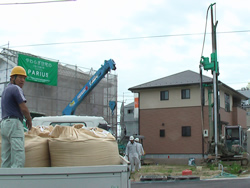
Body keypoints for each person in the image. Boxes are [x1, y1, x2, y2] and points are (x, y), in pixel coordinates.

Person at [0, 66, 32, 168]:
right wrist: (29, 119)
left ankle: (4, 182)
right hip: (14, 123)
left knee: (6, 157)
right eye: (20, 77)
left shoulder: (5, 90)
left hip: (4, 124)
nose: (22, 80)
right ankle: (17, 181)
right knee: (18, 155)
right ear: (13, 78)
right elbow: (24, 108)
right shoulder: (16, 88)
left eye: (24, 78)